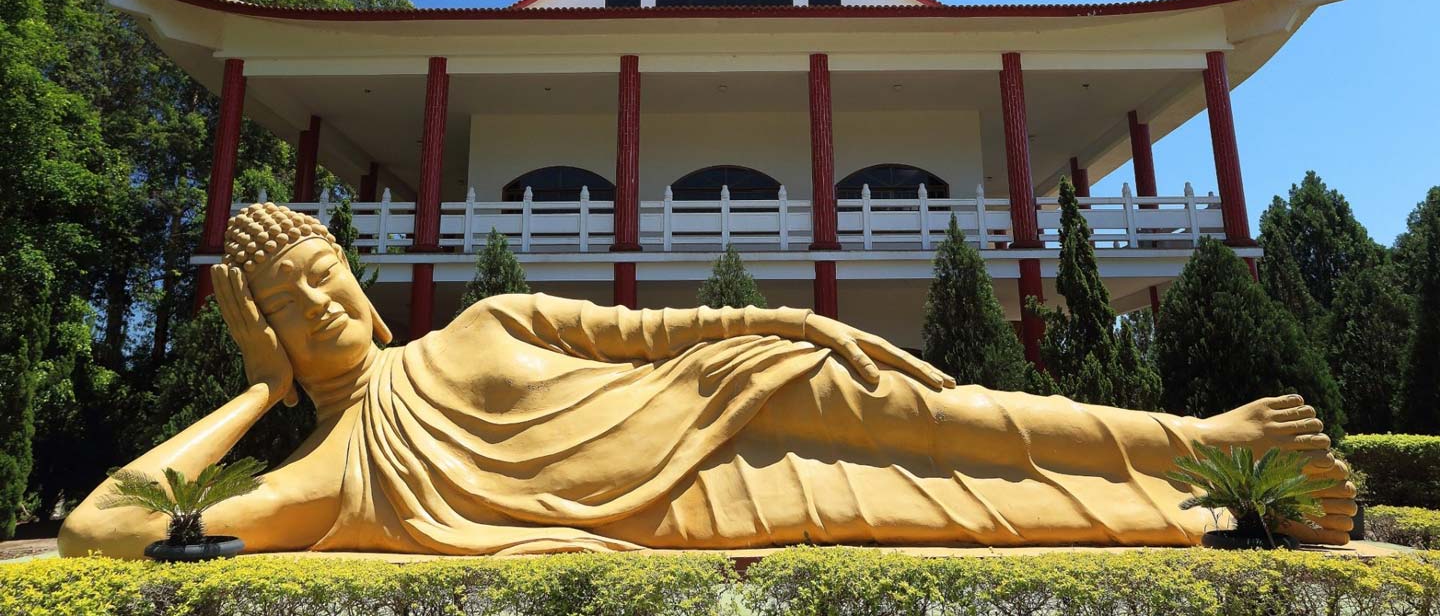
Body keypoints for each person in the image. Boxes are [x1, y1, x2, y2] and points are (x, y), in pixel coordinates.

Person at [59, 204, 1355, 558]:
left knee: (943, 417)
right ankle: (1221, 503)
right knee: (955, 500)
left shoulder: (489, 317)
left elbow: (650, 333)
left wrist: (795, 315)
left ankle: (1208, 436)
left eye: (333, 280)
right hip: (682, 505)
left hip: (726, 387)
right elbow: (106, 529)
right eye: (295, 310)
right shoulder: (330, 472)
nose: (328, 308)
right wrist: (261, 387)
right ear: (271, 331)